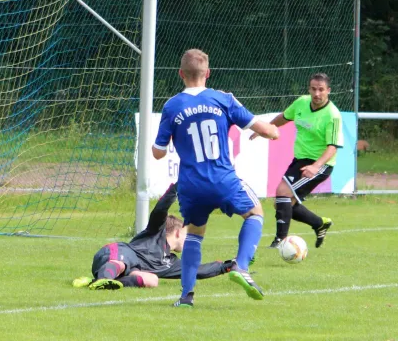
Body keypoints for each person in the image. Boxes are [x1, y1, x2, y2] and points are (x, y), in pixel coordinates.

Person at [152, 49, 280, 307]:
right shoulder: (223, 99)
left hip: (190, 185)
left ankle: (186, 297)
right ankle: (241, 266)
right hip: (223, 179)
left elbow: (158, 153)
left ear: (181, 74)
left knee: (195, 234)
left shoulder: (172, 106)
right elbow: (266, 130)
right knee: (255, 214)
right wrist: (274, 131)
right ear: (208, 73)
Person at [72, 183, 236, 290]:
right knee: (122, 264)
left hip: (127, 270)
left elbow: (196, 270)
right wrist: (179, 185)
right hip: (115, 253)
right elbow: (160, 209)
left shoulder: (170, 263)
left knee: (153, 280)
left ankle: (98, 282)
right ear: (178, 232)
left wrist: (228, 266)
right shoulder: (156, 230)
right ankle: (104, 278)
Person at [250, 72, 343, 249]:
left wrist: (316, 166)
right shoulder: (301, 102)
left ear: (328, 91)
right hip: (300, 160)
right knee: (283, 204)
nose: (317, 94)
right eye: (314, 89)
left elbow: (332, 147)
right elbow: (284, 117)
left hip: (321, 164)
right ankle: (319, 223)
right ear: (309, 89)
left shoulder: (333, 115)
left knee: (282, 193)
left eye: (321, 90)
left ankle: (280, 240)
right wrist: (266, 128)